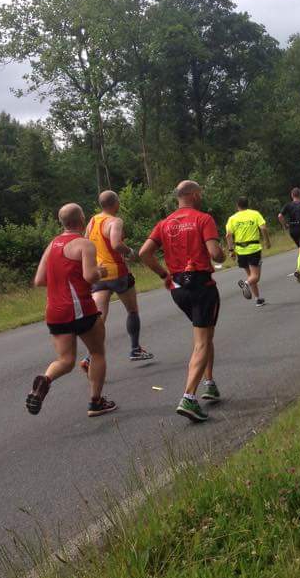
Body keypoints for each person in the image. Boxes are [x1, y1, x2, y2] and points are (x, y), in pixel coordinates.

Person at [138, 180, 226, 423]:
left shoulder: (164, 223)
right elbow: (215, 253)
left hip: (178, 288)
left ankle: (210, 383)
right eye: (200, 193)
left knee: (204, 334)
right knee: (202, 341)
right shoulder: (203, 219)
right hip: (201, 285)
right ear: (194, 195)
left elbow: (144, 253)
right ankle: (189, 397)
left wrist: (163, 274)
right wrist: (222, 254)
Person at [27, 203, 117, 418]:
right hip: (80, 308)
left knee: (65, 361)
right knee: (97, 353)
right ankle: (96, 402)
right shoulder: (84, 244)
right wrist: (101, 272)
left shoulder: (52, 244)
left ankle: (45, 380)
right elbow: (90, 276)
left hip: (55, 311)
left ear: (62, 222)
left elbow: (39, 280)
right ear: (82, 219)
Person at [79, 191, 153, 375]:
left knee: (99, 318)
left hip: (99, 274)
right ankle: (135, 349)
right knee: (132, 310)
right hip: (118, 273)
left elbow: (86, 243)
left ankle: (89, 357)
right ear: (116, 203)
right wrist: (130, 252)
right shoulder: (115, 221)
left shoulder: (92, 221)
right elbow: (116, 244)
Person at [226, 196, 271, 307]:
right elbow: (263, 228)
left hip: (240, 250)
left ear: (237, 205)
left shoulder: (232, 218)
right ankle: (246, 284)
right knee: (255, 277)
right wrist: (267, 241)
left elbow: (228, 235)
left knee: (250, 275)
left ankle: (258, 299)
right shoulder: (255, 214)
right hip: (253, 248)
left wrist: (231, 250)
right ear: (248, 204)